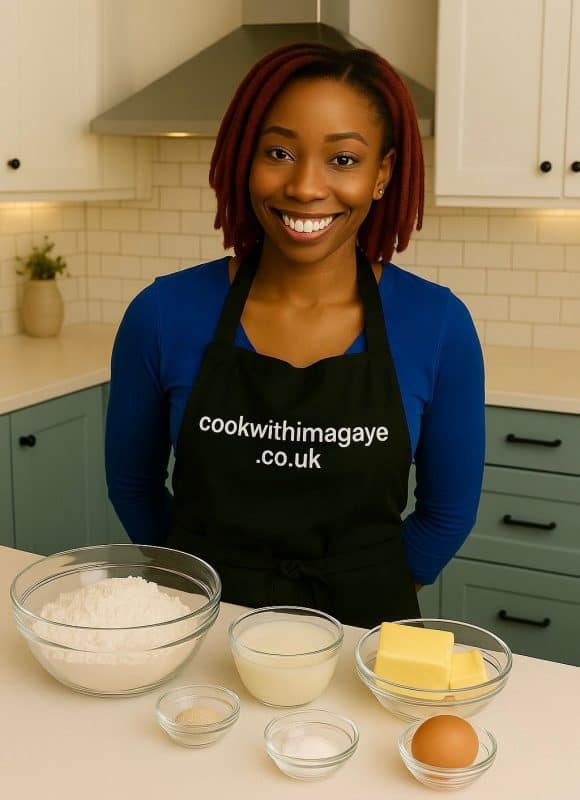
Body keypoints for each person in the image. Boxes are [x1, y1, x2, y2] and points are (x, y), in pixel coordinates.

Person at [105, 43, 485, 628]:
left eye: (343, 160)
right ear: (243, 158)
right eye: (279, 152)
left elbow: (448, 511)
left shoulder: (437, 325)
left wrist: (373, 584)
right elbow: (133, 484)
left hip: (362, 636)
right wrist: (193, 582)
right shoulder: (162, 313)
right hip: (202, 629)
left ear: (382, 173)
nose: (305, 187)